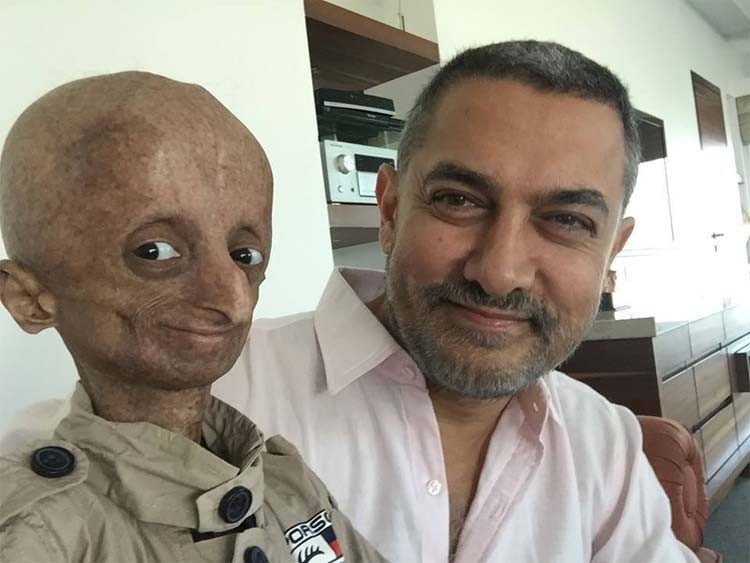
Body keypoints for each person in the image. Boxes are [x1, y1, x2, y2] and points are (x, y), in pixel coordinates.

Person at [0, 72, 386, 563]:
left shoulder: (287, 484)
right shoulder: (40, 534)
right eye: (155, 252)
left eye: (245, 256)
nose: (234, 299)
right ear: (30, 299)